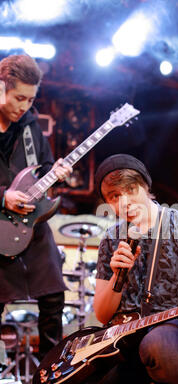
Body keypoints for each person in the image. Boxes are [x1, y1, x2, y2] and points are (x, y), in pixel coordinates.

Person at [40, 153, 178, 384]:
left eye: (131, 190)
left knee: (160, 347)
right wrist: (117, 277)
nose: (124, 202)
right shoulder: (111, 238)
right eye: (113, 196)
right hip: (120, 345)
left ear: (145, 187)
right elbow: (103, 313)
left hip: (170, 337)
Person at [0, 54, 72, 366]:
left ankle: (49, 372)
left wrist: (55, 174)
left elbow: (42, 174)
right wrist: (3, 197)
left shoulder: (31, 127)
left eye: (30, 99)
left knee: (54, 294)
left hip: (31, 222)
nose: (25, 106)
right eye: (19, 98)